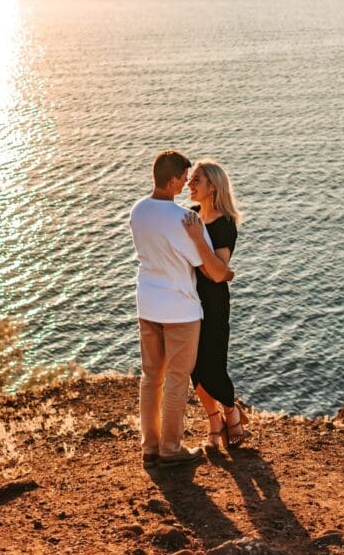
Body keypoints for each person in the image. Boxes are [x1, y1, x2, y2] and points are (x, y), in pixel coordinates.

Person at [130, 150, 233, 467]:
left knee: (151, 378)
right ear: (172, 180)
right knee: (176, 379)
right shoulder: (184, 220)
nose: (187, 182)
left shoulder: (138, 211)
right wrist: (227, 273)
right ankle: (171, 449)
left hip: (147, 304)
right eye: (184, 178)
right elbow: (214, 272)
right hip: (180, 311)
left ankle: (150, 446)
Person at [183, 159, 248, 450]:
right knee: (192, 367)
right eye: (191, 179)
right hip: (187, 298)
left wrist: (198, 240)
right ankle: (214, 420)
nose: (189, 184)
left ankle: (232, 413)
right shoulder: (189, 215)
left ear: (213, 187)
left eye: (196, 180)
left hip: (214, 303)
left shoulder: (224, 224)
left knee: (214, 367)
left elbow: (220, 273)